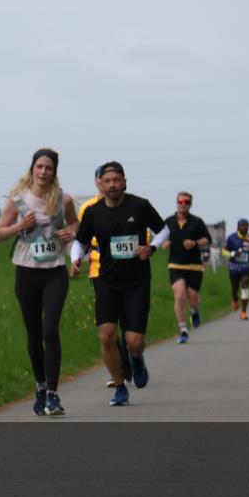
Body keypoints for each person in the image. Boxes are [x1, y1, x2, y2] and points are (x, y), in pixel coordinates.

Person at [70, 161, 169, 407]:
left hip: (137, 282)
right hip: (107, 281)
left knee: (134, 341)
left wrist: (152, 247)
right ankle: (119, 386)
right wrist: (75, 260)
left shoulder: (140, 205)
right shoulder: (93, 213)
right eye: (108, 181)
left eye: (117, 180)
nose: (112, 185)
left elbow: (164, 229)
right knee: (107, 336)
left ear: (125, 182)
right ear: (100, 184)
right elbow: (81, 242)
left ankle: (136, 358)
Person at [0, 148, 79, 416]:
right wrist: (20, 226)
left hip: (55, 271)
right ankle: (40, 386)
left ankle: (53, 394)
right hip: (27, 271)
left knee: (50, 329)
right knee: (33, 332)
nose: (43, 172)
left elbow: (77, 224)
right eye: (39, 167)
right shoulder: (18, 199)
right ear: (32, 169)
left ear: (55, 172)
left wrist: (70, 232)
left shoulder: (63, 199)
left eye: (49, 168)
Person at [77, 169, 132, 388]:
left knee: (127, 322)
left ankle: (132, 355)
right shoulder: (87, 208)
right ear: (97, 182)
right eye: (103, 180)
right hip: (99, 270)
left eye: (112, 180)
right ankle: (118, 368)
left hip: (127, 270)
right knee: (109, 326)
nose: (107, 184)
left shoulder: (130, 206)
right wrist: (77, 259)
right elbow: (82, 237)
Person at [161, 191, 211, 343]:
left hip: (194, 266)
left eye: (186, 202)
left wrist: (195, 243)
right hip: (175, 264)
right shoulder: (168, 221)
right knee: (180, 295)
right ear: (177, 203)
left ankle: (195, 311)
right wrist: (164, 244)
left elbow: (207, 239)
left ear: (190, 204)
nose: (183, 204)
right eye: (181, 202)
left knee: (193, 297)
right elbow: (160, 239)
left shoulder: (197, 221)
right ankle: (183, 330)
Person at [224, 219, 249, 320]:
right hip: (234, 268)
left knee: (245, 286)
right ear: (238, 227)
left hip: (246, 267)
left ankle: (243, 312)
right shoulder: (231, 238)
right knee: (235, 288)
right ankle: (235, 299)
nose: (245, 227)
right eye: (242, 226)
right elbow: (224, 251)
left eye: (246, 225)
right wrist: (233, 254)